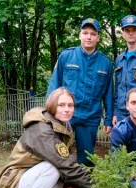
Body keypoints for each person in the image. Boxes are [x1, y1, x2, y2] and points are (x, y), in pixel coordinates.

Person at [0, 87, 99, 188]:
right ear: (52, 106)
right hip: (12, 187)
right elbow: (64, 163)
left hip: (28, 181)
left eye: (70, 105)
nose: (66, 109)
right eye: (61, 105)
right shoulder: (42, 128)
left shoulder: (64, 127)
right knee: (53, 167)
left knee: (73, 185)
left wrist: (72, 184)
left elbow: (68, 159)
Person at [46, 18, 113, 167]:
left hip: (90, 116)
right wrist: (48, 113)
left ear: (98, 37)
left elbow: (108, 94)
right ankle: (60, 184)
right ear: (80, 35)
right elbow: (54, 85)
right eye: (85, 33)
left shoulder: (106, 63)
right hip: (65, 114)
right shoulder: (66, 56)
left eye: (93, 34)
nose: (89, 37)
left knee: (87, 158)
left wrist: (108, 119)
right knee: (58, 152)